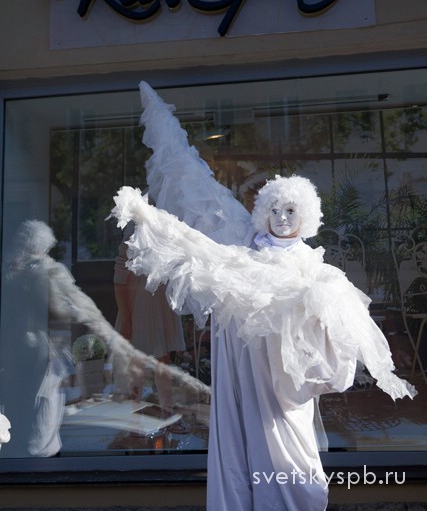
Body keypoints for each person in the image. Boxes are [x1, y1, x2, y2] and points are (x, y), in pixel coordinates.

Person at [109, 82, 416, 511]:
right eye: (274, 209)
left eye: (291, 211)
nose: (282, 218)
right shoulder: (243, 247)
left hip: (281, 380)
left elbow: (337, 328)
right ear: (262, 212)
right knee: (241, 449)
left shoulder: (312, 266)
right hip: (240, 369)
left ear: (306, 217)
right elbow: (197, 236)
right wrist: (148, 214)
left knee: (292, 459)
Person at [0, 219, 209, 458]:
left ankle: (30, 452)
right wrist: (108, 322)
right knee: (43, 407)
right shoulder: (40, 273)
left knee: (37, 404)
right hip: (42, 351)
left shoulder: (18, 273)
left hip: (30, 353)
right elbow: (73, 308)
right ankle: (36, 455)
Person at [114, 220, 186, 415]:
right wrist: (126, 317)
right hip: (139, 308)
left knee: (162, 360)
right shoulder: (131, 242)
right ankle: (134, 413)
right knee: (137, 360)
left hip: (159, 307)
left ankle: (166, 410)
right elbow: (119, 281)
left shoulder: (163, 241)